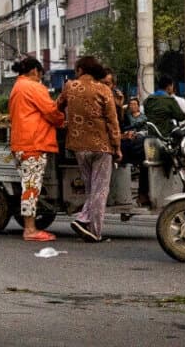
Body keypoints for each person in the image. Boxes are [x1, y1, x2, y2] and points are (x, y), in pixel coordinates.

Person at [57, 56, 120, 243]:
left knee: (91, 188)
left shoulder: (70, 87)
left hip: (78, 147)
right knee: (100, 190)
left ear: (81, 70)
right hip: (101, 147)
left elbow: (57, 107)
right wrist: (117, 147)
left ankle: (85, 222)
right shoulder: (104, 90)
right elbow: (112, 122)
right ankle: (93, 229)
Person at [8, 55, 65, 242]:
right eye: (40, 74)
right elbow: (51, 111)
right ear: (34, 71)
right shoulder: (33, 87)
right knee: (31, 187)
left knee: (28, 185)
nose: (40, 78)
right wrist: (62, 120)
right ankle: (30, 229)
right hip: (34, 143)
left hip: (20, 143)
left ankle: (30, 227)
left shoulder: (17, 87)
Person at [143, 74, 185, 140]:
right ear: (169, 87)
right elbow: (180, 117)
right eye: (172, 86)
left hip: (151, 134)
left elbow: (146, 113)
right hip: (165, 135)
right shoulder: (169, 100)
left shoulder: (148, 100)